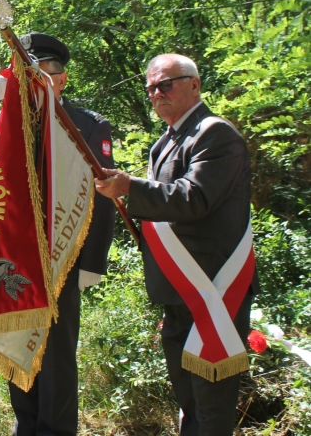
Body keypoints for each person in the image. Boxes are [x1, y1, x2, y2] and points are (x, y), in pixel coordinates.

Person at [0, 33, 116, 435]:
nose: (34, 84)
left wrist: (92, 263)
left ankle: (55, 430)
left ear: (61, 79)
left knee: (56, 355)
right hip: (15, 256)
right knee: (18, 341)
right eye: (27, 76)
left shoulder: (88, 126)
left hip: (64, 254)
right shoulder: (9, 123)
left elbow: (103, 196)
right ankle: (26, 425)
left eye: (42, 75)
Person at [95, 53, 257, 436]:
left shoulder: (216, 134)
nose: (156, 94)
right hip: (179, 292)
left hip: (214, 290)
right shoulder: (165, 142)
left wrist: (131, 187)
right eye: (151, 88)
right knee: (189, 403)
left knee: (212, 408)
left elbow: (194, 198)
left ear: (194, 85)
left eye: (165, 85)